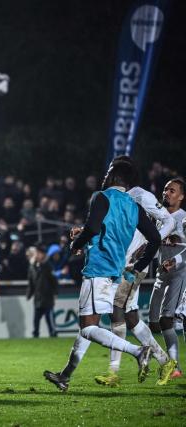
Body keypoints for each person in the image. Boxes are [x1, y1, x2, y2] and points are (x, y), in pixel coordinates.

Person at [43, 161, 161, 392]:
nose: (104, 175)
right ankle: (65, 376)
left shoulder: (101, 196)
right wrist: (140, 266)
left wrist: (76, 244)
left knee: (87, 328)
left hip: (98, 268)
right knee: (88, 326)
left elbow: (93, 228)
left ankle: (138, 351)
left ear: (115, 176)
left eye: (108, 172)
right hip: (116, 269)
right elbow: (155, 238)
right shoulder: (133, 206)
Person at [94, 157, 177, 387]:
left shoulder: (141, 195)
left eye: (111, 170)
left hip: (133, 265)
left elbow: (168, 221)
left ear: (121, 173)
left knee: (115, 310)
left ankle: (113, 372)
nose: (108, 174)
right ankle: (164, 360)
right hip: (119, 262)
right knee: (130, 317)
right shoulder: (116, 198)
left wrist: (150, 243)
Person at [148, 177, 186, 379]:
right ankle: (167, 362)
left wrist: (176, 261)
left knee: (166, 319)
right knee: (153, 322)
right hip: (161, 275)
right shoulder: (159, 217)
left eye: (172, 191)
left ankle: (175, 367)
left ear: (181, 196)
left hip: (180, 275)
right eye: (165, 190)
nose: (166, 193)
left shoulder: (184, 218)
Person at [27, 244, 58, 338]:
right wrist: (29, 293)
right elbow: (31, 282)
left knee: (49, 317)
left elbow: (54, 281)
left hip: (47, 296)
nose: (37, 254)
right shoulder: (33, 266)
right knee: (36, 319)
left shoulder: (48, 265)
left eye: (38, 253)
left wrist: (55, 292)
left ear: (43, 254)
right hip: (38, 297)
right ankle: (35, 334)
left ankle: (53, 333)